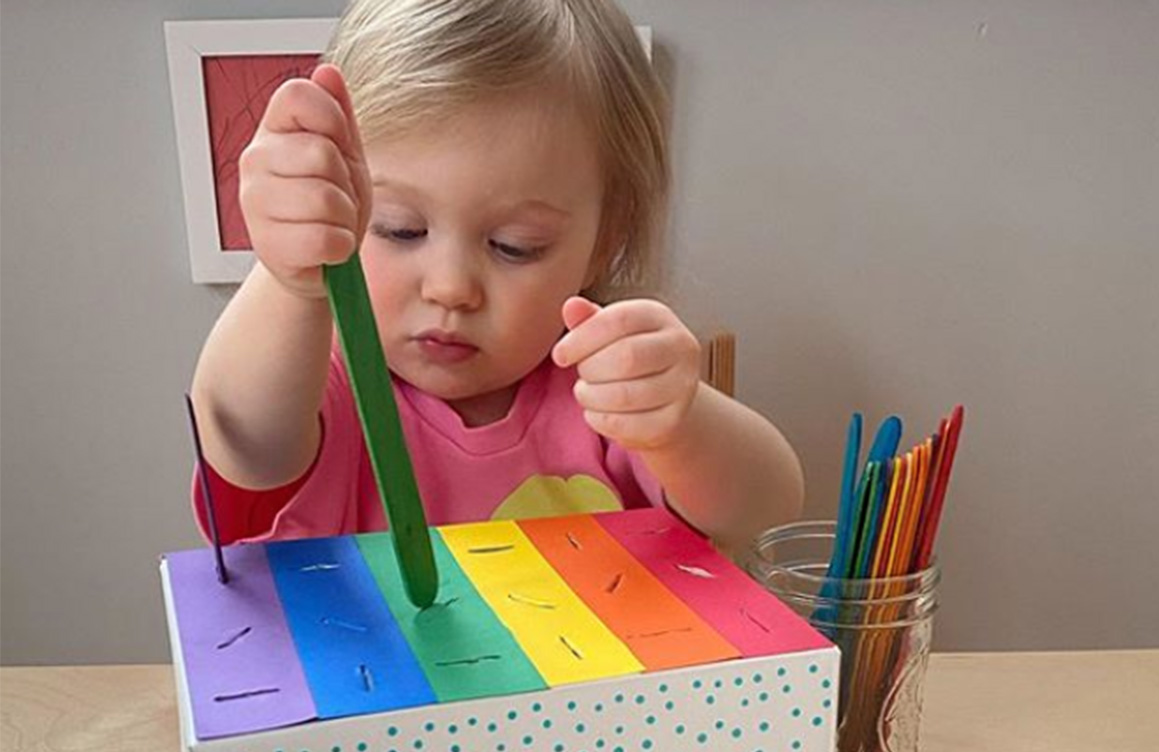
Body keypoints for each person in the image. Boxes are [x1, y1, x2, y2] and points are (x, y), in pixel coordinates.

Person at [189, 0, 804, 557]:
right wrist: (289, 280)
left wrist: (680, 422)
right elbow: (242, 441)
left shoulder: (602, 390)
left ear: (604, 242)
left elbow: (767, 508)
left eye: (516, 246)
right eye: (400, 229)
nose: (451, 287)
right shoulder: (316, 382)